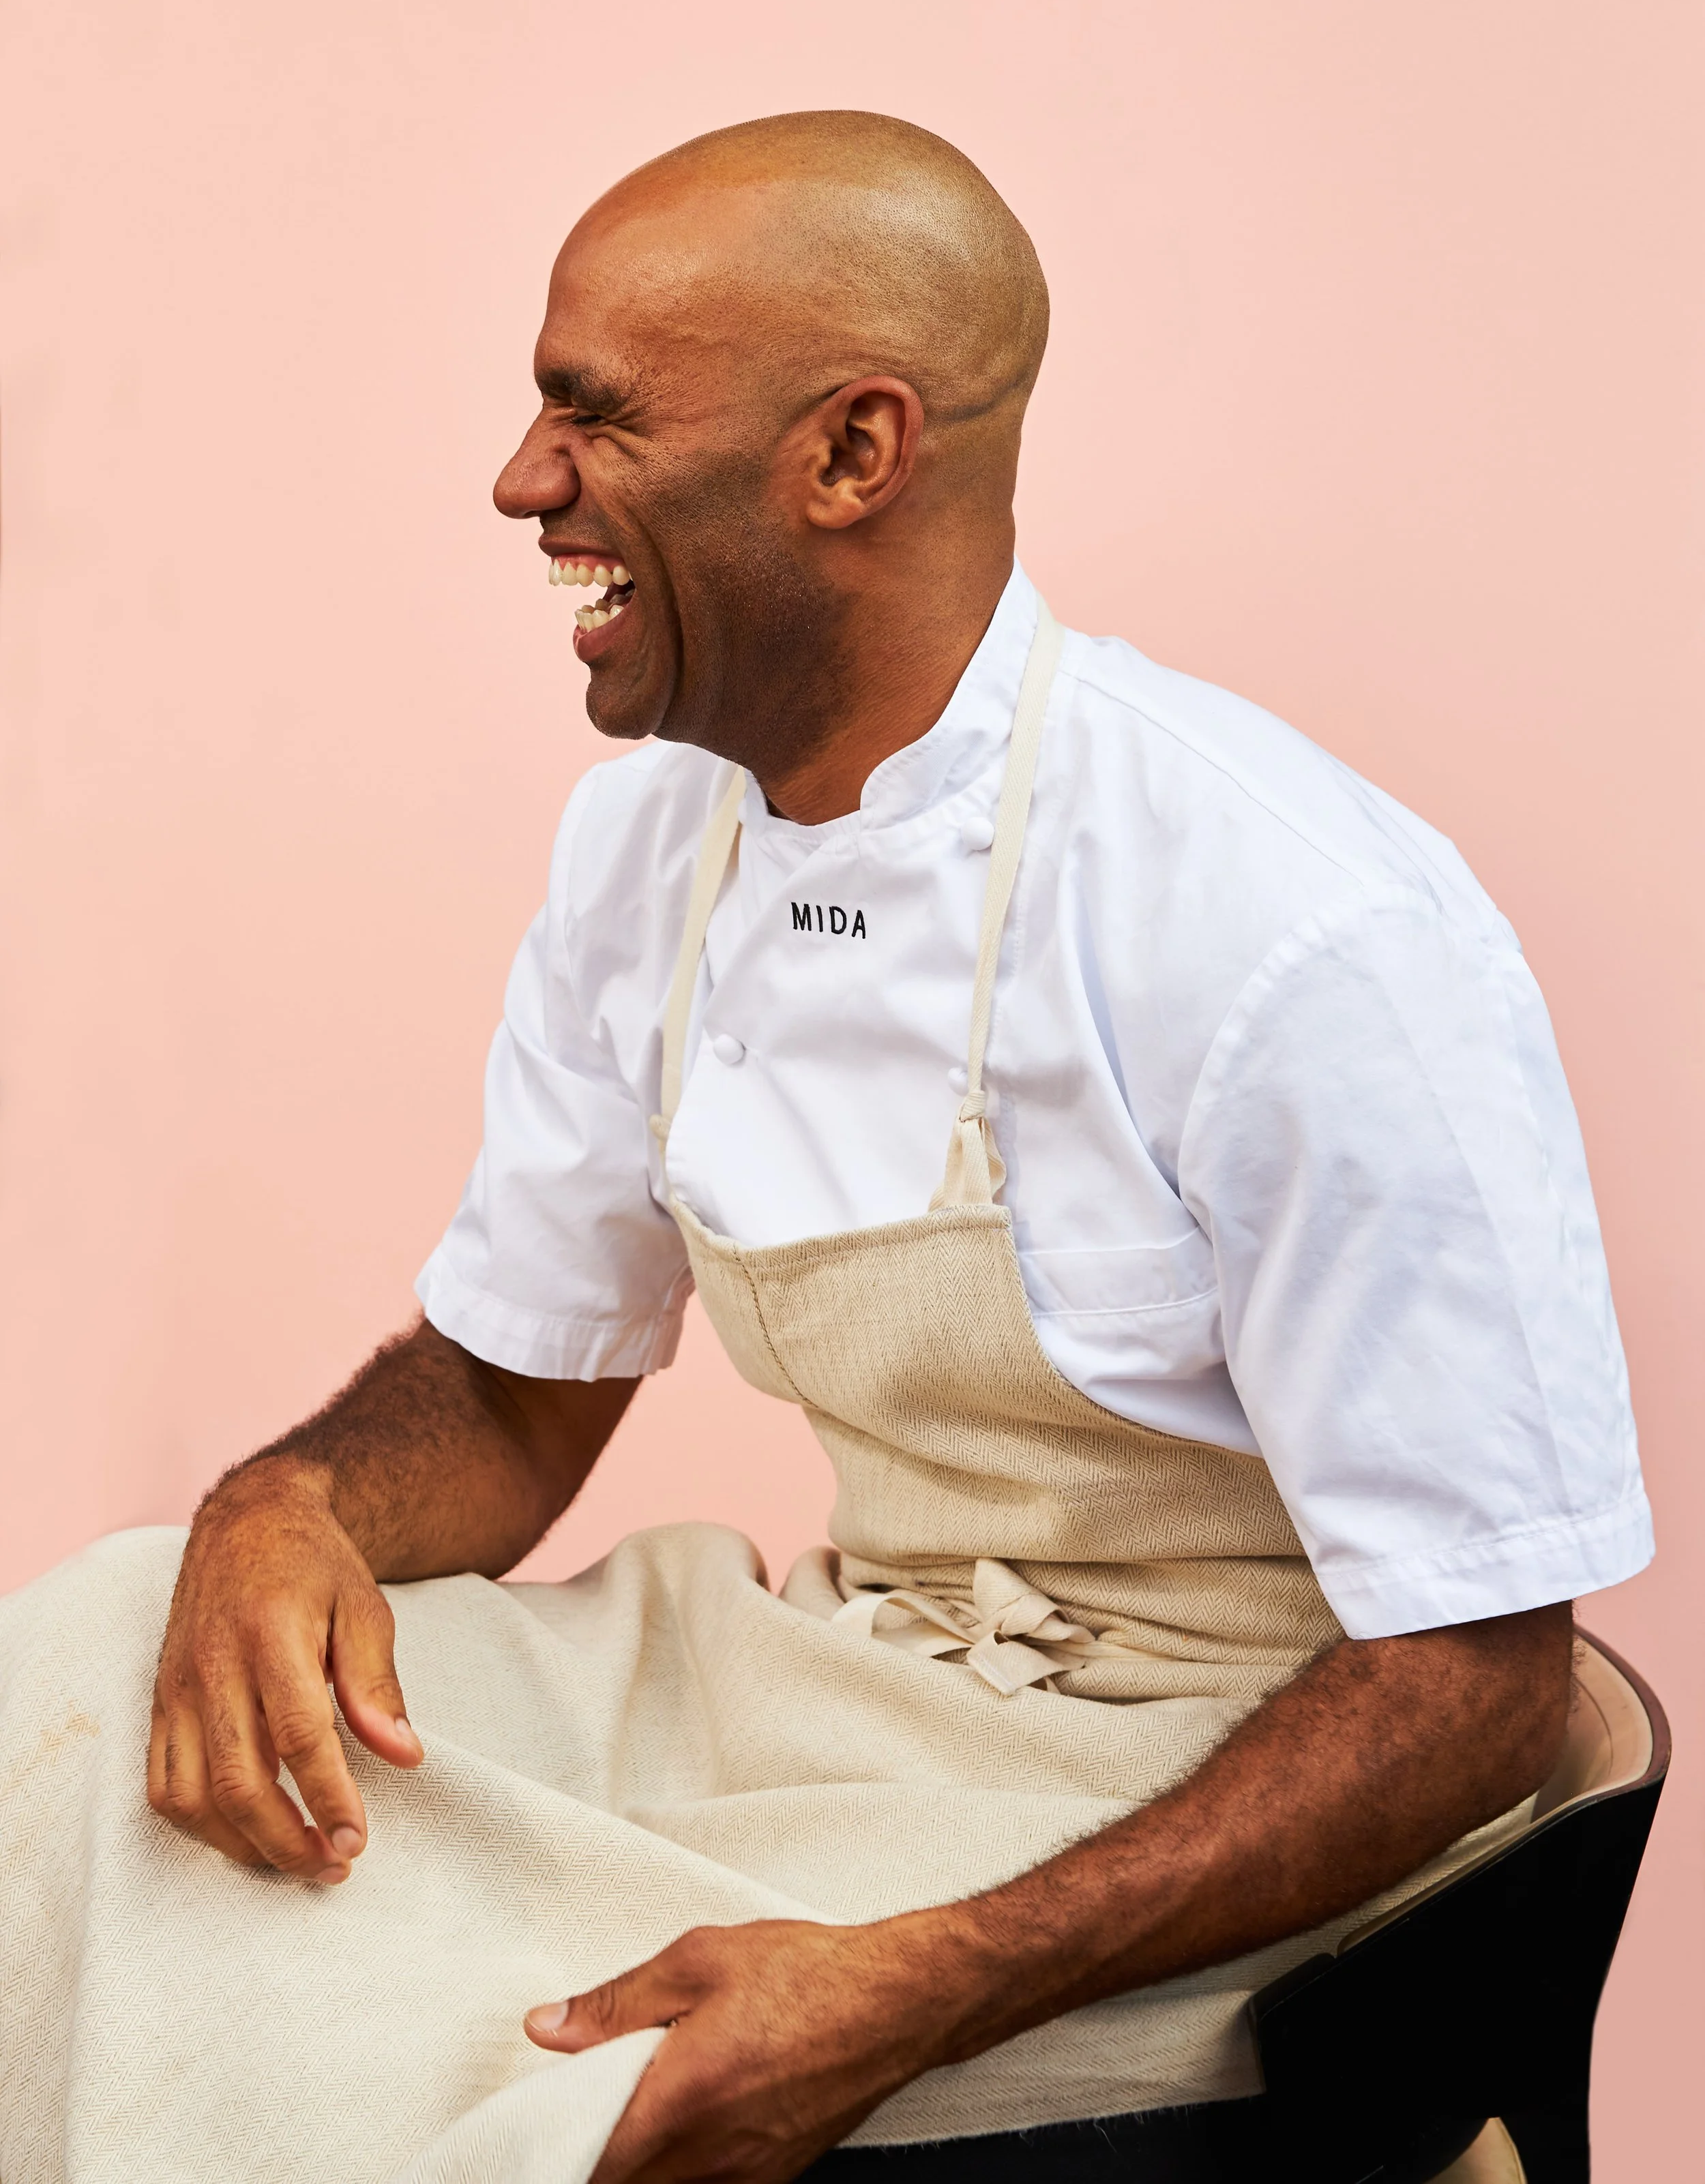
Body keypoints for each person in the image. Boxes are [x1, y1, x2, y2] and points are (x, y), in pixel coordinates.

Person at [0, 113, 1650, 2184]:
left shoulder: (1291, 923)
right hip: (849, 1680)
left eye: (587, 416)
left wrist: (904, 1980)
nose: (522, 482)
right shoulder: (647, 845)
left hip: (1205, 1774)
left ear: (853, 454)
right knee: (85, 1661)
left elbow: (1476, 1685)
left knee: (512, 2076)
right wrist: (277, 1506)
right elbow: (515, 1396)